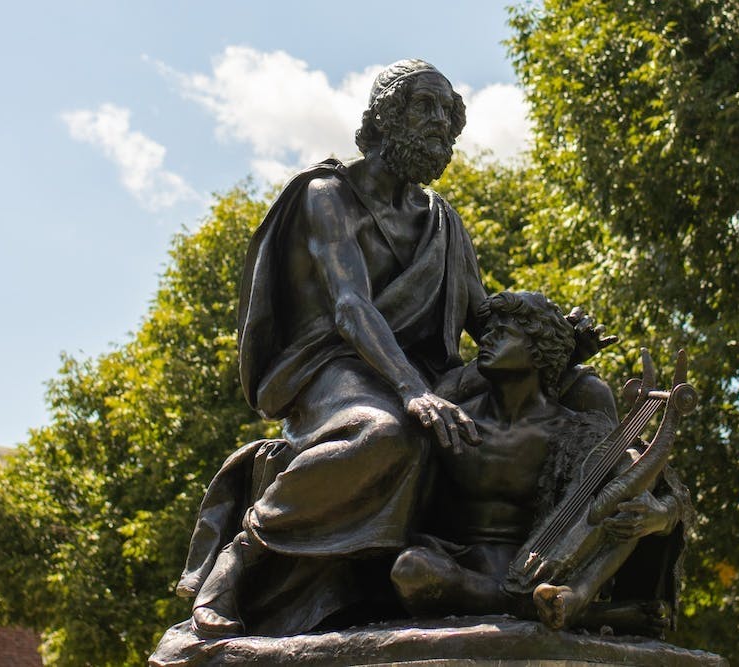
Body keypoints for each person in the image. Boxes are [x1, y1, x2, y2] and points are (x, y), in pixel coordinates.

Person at [181, 59, 488, 638]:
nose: (441, 124)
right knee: (388, 433)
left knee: (531, 425)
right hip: (333, 367)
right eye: (426, 107)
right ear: (384, 116)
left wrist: (559, 344)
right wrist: (415, 392)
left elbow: (485, 318)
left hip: (420, 374)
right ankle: (240, 557)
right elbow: (351, 305)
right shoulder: (327, 196)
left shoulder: (443, 223)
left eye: (450, 114)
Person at [391, 292, 693, 636]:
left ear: (539, 350)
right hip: (460, 567)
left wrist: (659, 517)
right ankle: (569, 611)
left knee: (616, 504)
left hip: (548, 568)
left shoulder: (574, 429)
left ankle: (565, 600)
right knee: (410, 570)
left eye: (502, 332)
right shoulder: (455, 419)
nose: (485, 339)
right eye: (488, 330)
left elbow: (649, 480)